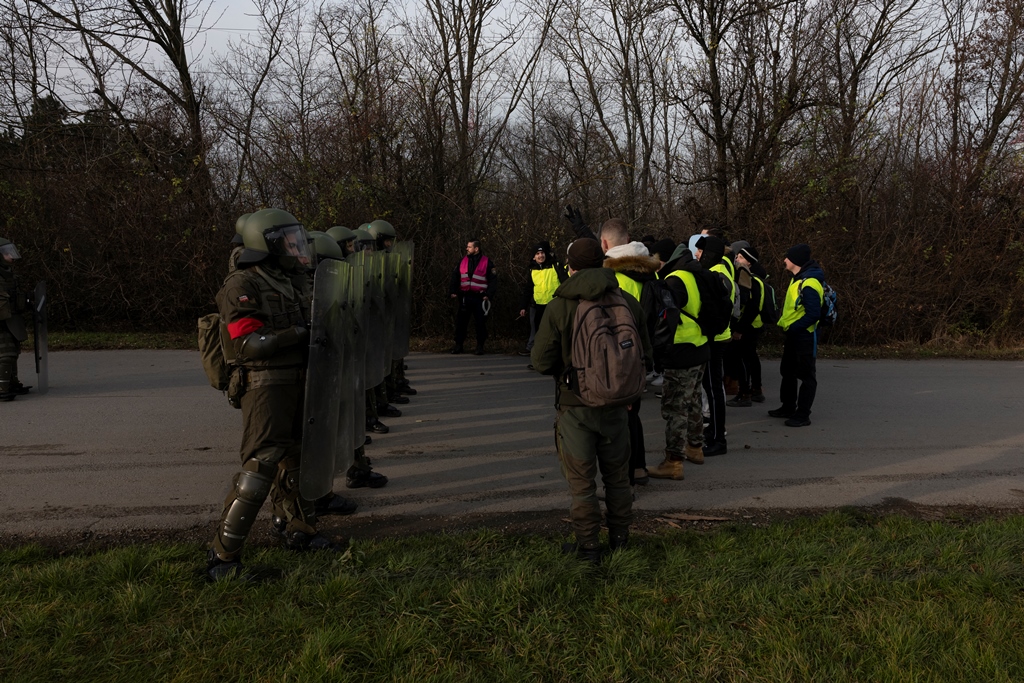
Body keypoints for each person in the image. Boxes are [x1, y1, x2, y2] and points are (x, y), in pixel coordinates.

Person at [206, 208, 341, 581]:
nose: (297, 248)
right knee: (260, 467)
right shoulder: (242, 284)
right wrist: (299, 333)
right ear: (265, 245)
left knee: (297, 459)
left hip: (299, 380)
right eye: (289, 242)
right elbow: (248, 343)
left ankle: (298, 529)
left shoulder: (290, 280)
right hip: (265, 384)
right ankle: (223, 557)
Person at [531, 238, 651, 563]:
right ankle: (620, 541)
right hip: (618, 406)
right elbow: (646, 355)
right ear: (602, 263)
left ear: (570, 267)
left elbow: (540, 361)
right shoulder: (627, 301)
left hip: (575, 408)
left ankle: (589, 549)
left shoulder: (560, 306)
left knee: (582, 483)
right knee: (618, 479)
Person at [647, 244, 710, 479]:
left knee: (675, 408)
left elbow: (668, 318)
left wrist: (658, 350)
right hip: (700, 345)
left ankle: (673, 462)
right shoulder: (694, 274)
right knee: (693, 400)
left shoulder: (673, 280)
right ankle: (695, 448)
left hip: (680, 349)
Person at [770, 243, 824, 427]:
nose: (784, 259)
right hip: (794, 335)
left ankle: (802, 415)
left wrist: (794, 327)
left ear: (796, 260)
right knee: (787, 371)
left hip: (805, 336)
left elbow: (813, 314)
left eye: (788, 257)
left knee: (806, 375)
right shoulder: (798, 279)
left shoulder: (809, 283)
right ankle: (788, 407)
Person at [694, 235, 734, 457]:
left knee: (714, 388)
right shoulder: (719, 271)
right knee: (712, 387)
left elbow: (718, 308)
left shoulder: (716, 274)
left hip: (715, 338)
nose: (697, 254)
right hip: (717, 336)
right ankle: (714, 431)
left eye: (701, 251)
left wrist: (708, 328)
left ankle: (719, 438)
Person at [726, 246, 767, 407]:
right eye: (737, 256)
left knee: (741, 359)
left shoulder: (750, 280)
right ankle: (756, 390)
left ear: (749, 262)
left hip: (747, 326)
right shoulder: (755, 278)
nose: (737, 259)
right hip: (753, 325)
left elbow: (752, 307)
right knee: (751, 358)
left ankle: (744, 394)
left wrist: (739, 329)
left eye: (741, 257)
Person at [450, 238, 496, 355]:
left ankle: (480, 346)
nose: (467, 249)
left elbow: (493, 280)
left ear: (476, 249)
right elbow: (455, 276)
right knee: (461, 323)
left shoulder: (487, 262)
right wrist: (453, 291)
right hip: (465, 297)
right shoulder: (462, 261)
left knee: (480, 323)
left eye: (469, 247)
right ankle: (458, 345)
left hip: (479, 297)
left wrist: (488, 295)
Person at [519, 241, 566, 355]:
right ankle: (540, 354)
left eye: (542, 253)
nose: (541, 256)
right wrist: (523, 306)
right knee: (540, 332)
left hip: (555, 305)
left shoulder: (555, 266)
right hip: (539, 306)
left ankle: (558, 353)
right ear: (533, 257)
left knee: (557, 331)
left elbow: (565, 283)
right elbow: (528, 289)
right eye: (537, 254)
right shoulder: (532, 270)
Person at [0, 237, 29, 401]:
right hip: (1, 321)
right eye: (6, 253)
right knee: (6, 354)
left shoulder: (9, 275)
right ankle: (2, 386)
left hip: (11, 319)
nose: (11, 256)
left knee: (14, 352)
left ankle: (12, 383)